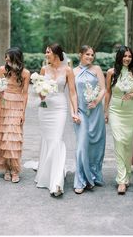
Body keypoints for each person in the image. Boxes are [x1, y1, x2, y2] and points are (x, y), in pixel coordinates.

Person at [35, 43, 80, 197]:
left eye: (48, 52)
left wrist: (75, 112)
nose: (46, 54)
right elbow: (39, 91)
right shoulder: (43, 69)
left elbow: (73, 93)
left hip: (60, 108)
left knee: (57, 141)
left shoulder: (68, 70)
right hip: (45, 108)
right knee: (48, 141)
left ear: (55, 53)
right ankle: (47, 173)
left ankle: (57, 182)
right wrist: (41, 94)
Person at [104, 46, 133, 194]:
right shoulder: (111, 73)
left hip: (131, 111)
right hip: (116, 110)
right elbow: (107, 92)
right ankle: (121, 180)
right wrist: (105, 111)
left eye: (129, 56)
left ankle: (127, 176)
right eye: (124, 56)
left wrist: (132, 95)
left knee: (128, 143)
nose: (127, 59)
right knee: (119, 141)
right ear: (119, 57)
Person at [0, 47, 30, 183]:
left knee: (12, 138)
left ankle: (15, 169)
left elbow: (25, 94)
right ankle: (7, 168)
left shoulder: (25, 73)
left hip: (16, 105)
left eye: (8, 57)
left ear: (16, 58)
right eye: (5, 57)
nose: (6, 59)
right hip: (2, 105)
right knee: (3, 139)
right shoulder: (2, 70)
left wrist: (23, 112)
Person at [73, 45, 106, 194]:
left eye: (92, 55)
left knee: (95, 144)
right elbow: (71, 95)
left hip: (96, 111)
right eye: (87, 54)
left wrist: (96, 101)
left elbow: (103, 88)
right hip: (81, 112)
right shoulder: (73, 72)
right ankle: (80, 180)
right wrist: (74, 113)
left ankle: (93, 175)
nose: (90, 57)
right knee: (81, 146)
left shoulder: (97, 69)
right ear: (80, 54)